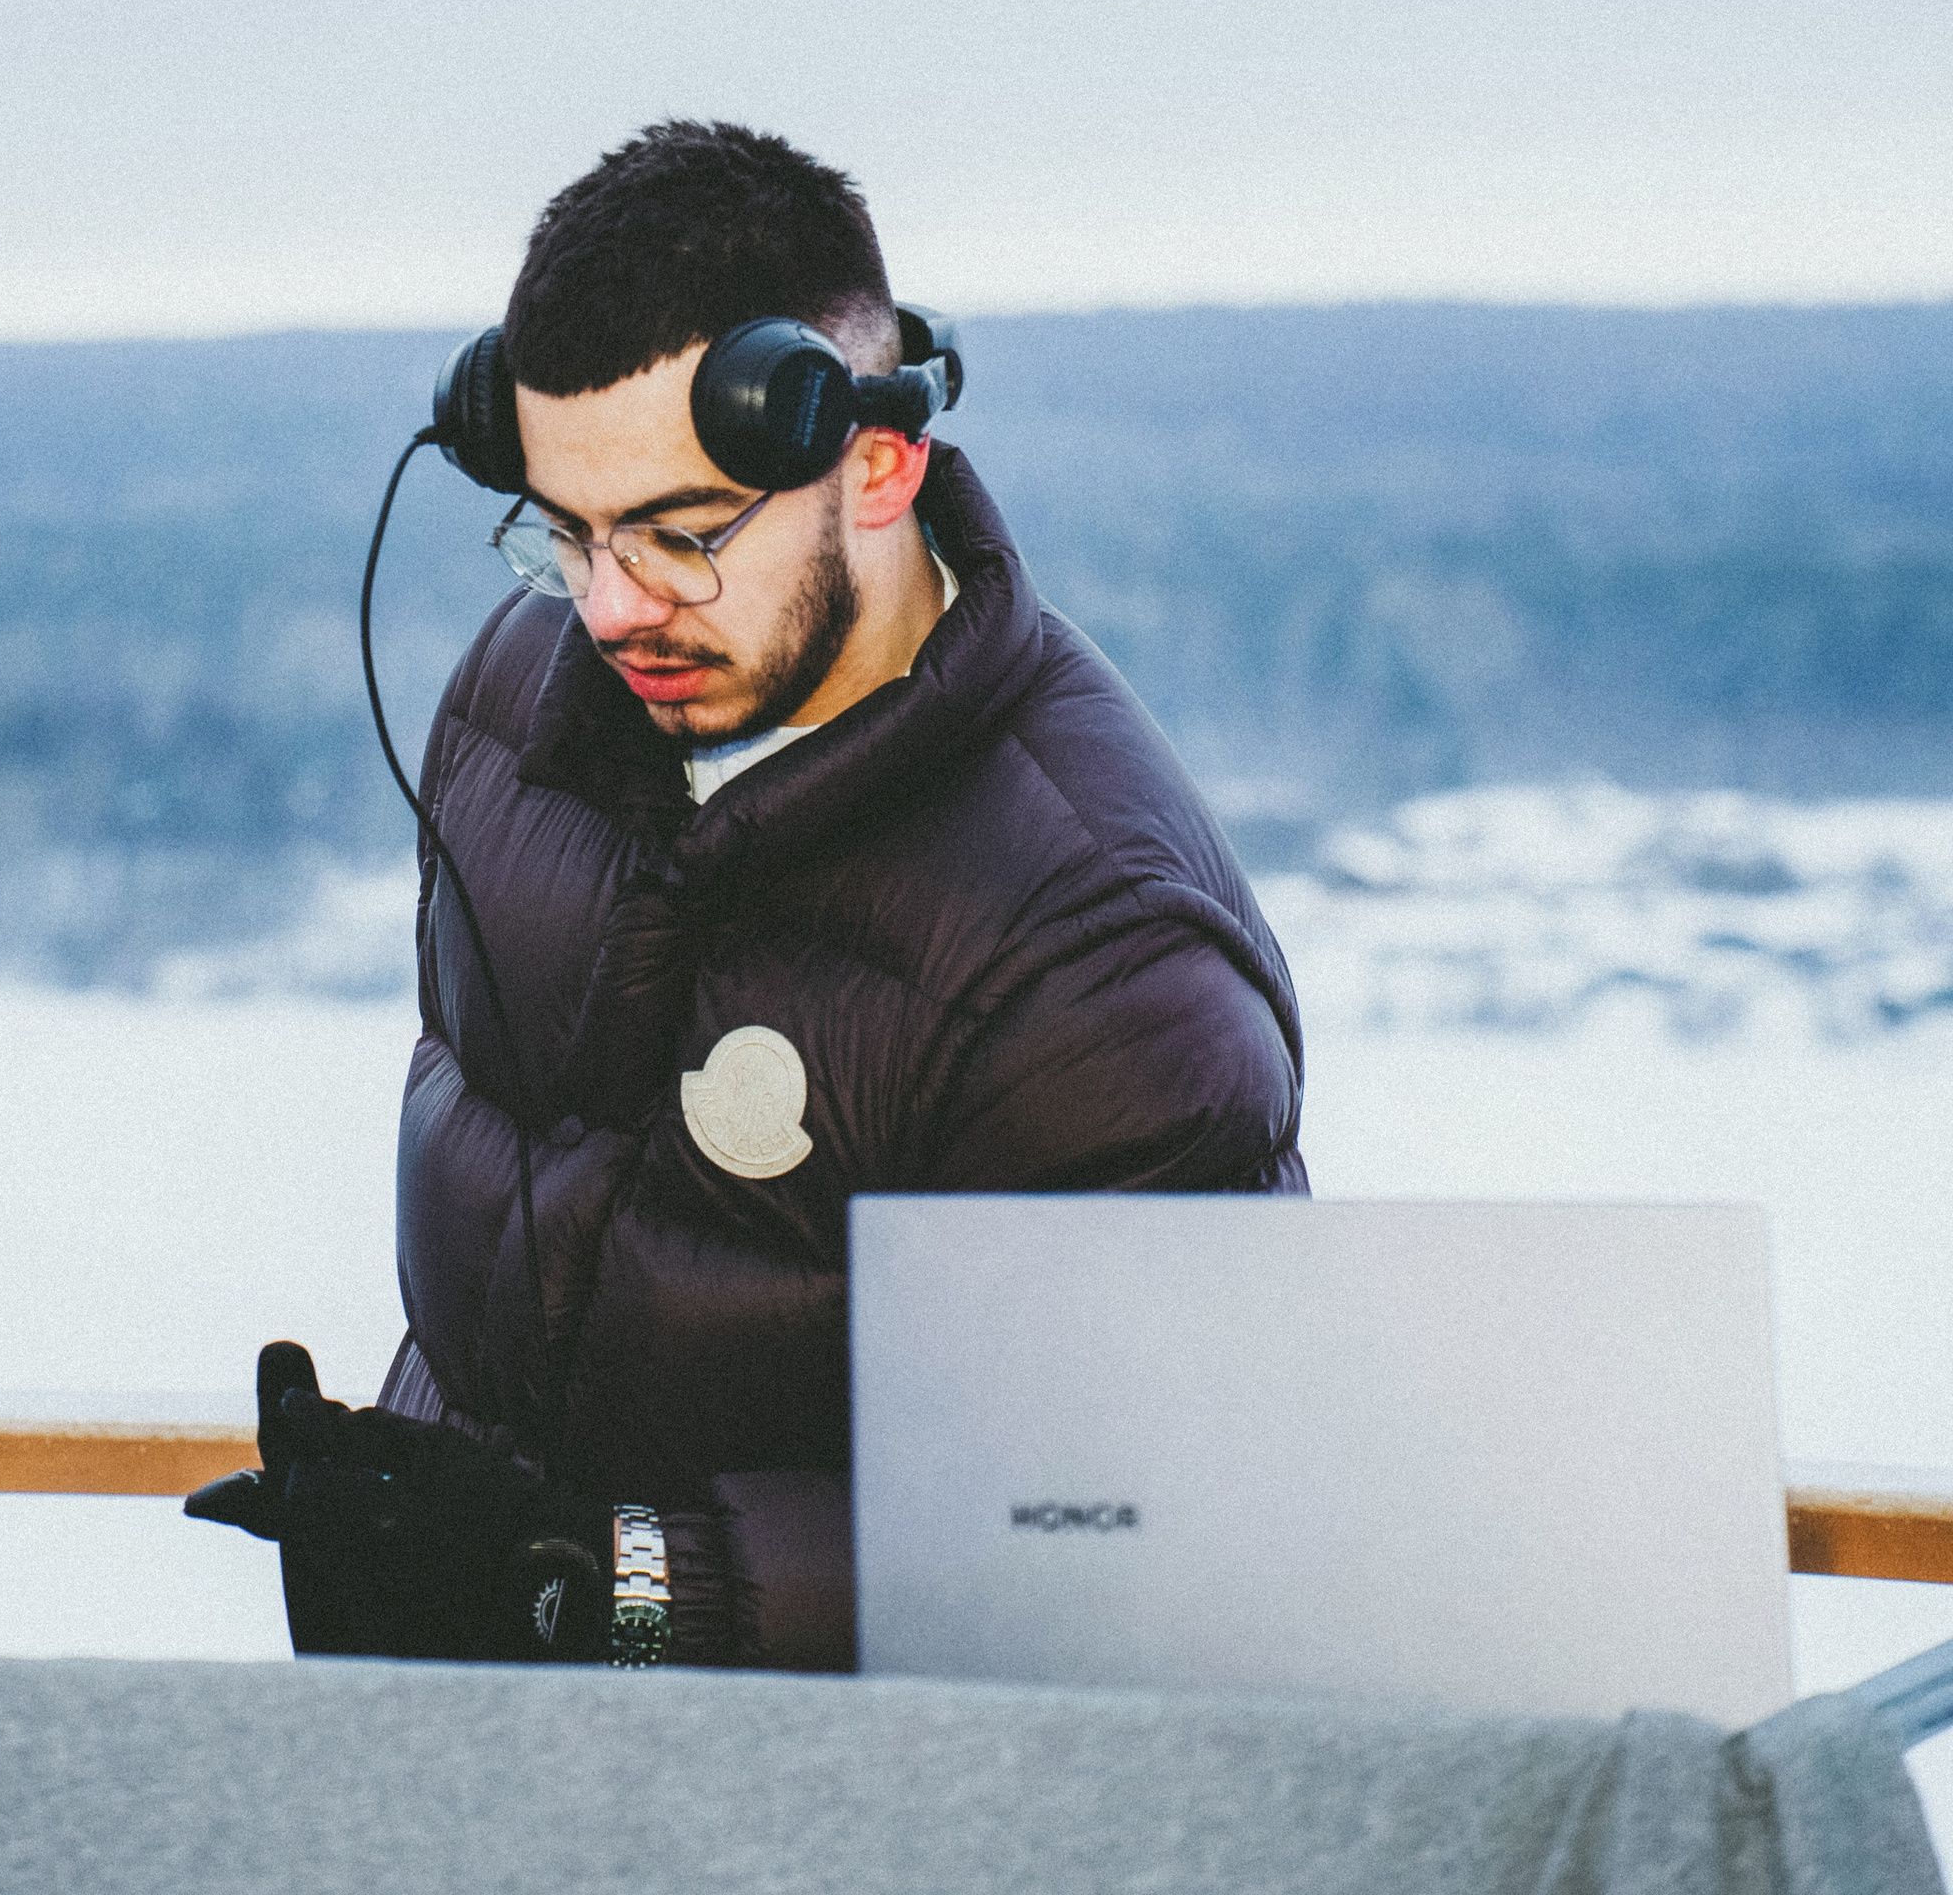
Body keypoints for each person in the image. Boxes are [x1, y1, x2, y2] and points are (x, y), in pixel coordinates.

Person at [197, 120, 1305, 1670]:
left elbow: (1136, 1537)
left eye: (679, 536)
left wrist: (612, 1596)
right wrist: (403, 1515)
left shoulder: (1100, 973)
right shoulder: (516, 710)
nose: (610, 608)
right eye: (565, 534)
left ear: (878, 461)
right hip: (472, 1760)